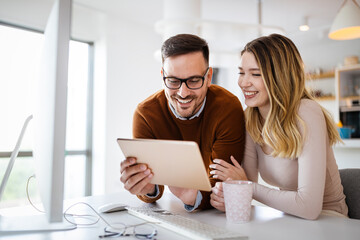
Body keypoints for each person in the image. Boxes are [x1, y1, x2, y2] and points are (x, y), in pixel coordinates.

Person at [209, 33, 348, 220]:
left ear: (280, 77)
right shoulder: (251, 117)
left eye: (256, 74)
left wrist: (245, 186)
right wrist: (226, 194)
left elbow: (309, 208)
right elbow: (246, 186)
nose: (243, 82)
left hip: (330, 220)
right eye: (241, 72)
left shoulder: (306, 112)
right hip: (290, 218)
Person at [120, 34, 246, 211]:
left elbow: (224, 186)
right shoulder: (145, 114)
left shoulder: (228, 108)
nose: (183, 93)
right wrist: (147, 188)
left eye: (194, 80)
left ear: (209, 77)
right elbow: (150, 192)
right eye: (173, 81)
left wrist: (193, 196)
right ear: (163, 76)